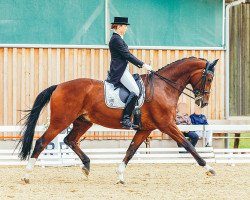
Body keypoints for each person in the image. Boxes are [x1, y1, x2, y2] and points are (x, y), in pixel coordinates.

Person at [107, 17, 152, 129]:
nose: (126, 28)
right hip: (120, 71)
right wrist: (143, 65)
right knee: (135, 91)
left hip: (124, 70)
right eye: (125, 26)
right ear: (118, 26)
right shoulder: (116, 39)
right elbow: (128, 55)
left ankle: (135, 117)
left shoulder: (118, 39)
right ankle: (126, 119)